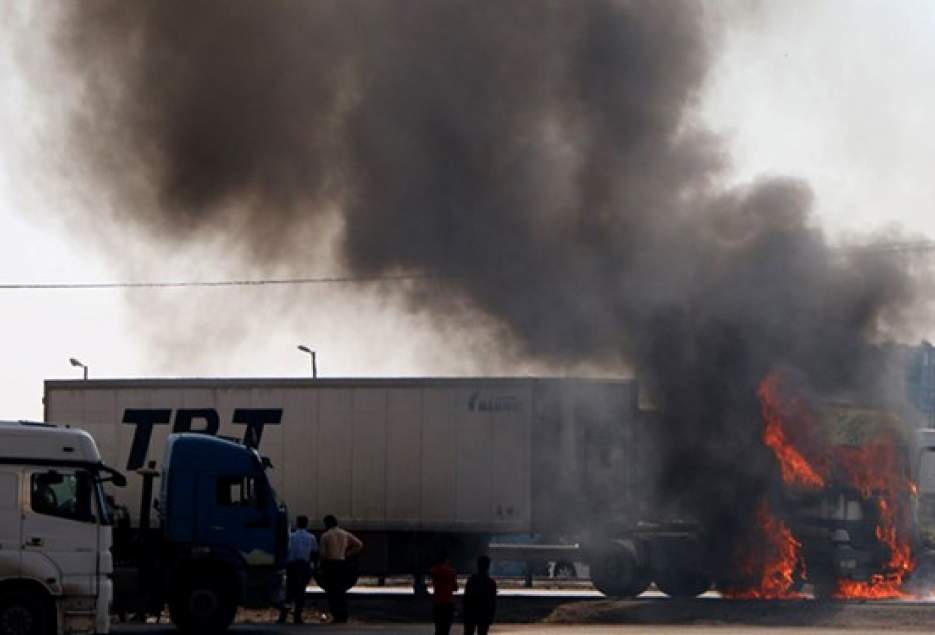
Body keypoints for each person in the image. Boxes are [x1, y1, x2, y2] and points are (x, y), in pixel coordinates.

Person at [319, 514, 363, 623]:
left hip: (330, 564)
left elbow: (323, 554)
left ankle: (336, 614)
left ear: (327, 523)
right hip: (342, 563)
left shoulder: (325, 536)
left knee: (331, 591)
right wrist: (347, 554)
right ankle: (343, 614)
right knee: (341, 590)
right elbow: (359, 544)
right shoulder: (344, 534)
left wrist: (320, 565)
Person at [278, 515, 319, 624]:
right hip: (304, 566)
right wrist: (313, 566)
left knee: (289, 592)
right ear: (307, 524)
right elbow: (314, 553)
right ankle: (297, 616)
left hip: (291, 566)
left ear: (297, 523)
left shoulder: (291, 536)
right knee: (301, 592)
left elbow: (285, 551)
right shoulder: (311, 537)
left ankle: (283, 617)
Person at [463, 556, 496, 635]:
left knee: (468, 632)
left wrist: (464, 611)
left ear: (477, 566)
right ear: (488, 566)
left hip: (471, 611)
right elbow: (493, 601)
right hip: (484, 612)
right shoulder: (491, 582)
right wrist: (491, 615)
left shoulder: (471, 580)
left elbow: (466, 597)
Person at [430, 550, 458, 635]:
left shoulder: (434, 570)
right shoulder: (451, 571)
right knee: (446, 628)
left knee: (438, 627)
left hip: (437, 602)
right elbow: (455, 588)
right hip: (448, 602)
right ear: (447, 560)